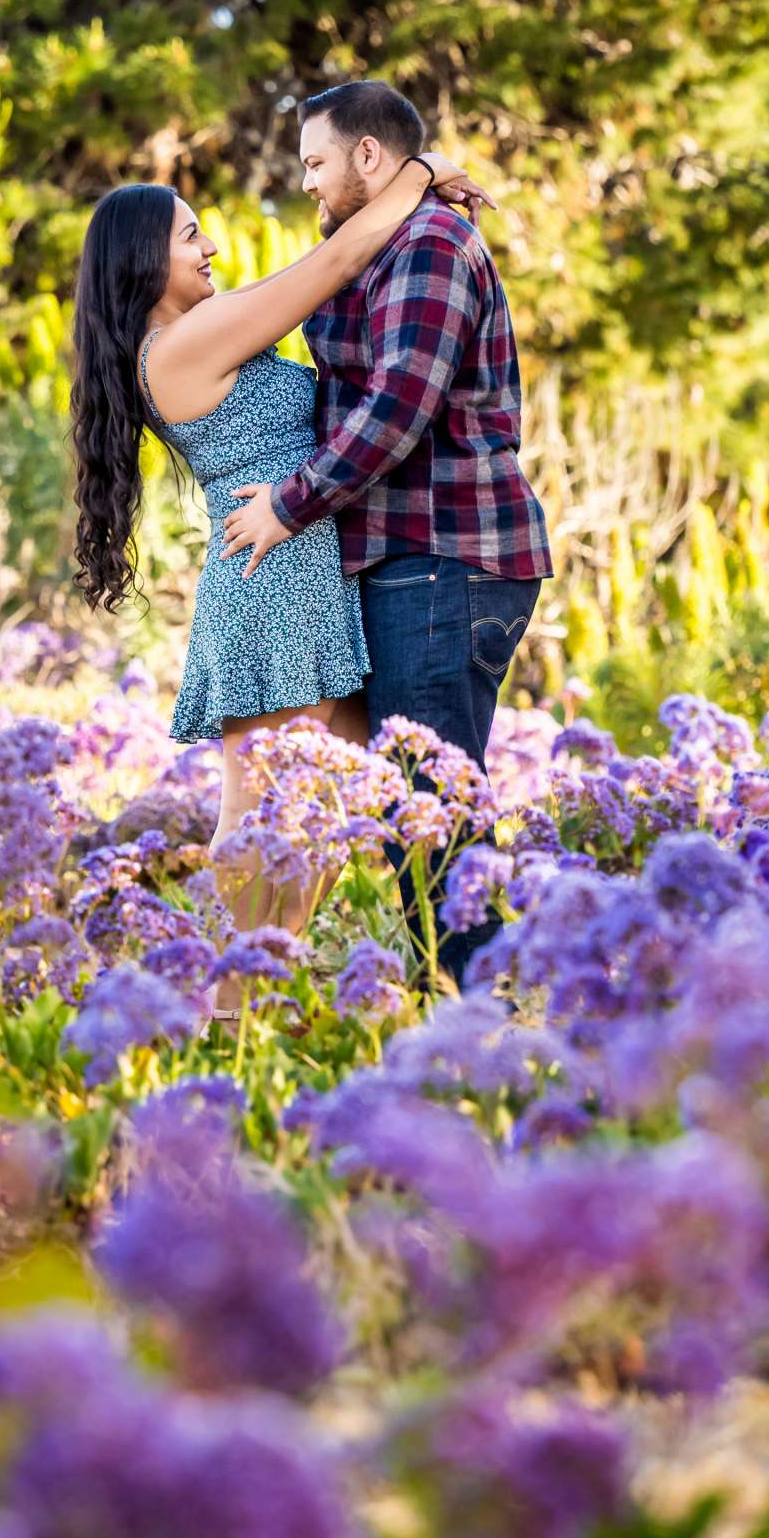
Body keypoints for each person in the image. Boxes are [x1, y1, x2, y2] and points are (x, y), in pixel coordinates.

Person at [70, 148, 489, 958]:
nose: (210, 249)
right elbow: (333, 262)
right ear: (144, 261)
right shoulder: (183, 343)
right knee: (266, 818)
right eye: (191, 237)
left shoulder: (188, 342)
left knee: (351, 799)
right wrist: (420, 171)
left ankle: (283, 980)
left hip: (301, 577)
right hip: (271, 587)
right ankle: (233, 1008)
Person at [219, 79, 552, 986]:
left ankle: (477, 1015)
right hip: (408, 558)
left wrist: (289, 506)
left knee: (433, 810)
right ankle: (461, 1004)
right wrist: (423, 175)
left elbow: (399, 403)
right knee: (422, 805)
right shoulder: (380, 241)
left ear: (369, 157)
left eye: (318, 162)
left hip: (445, 557)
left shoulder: (434, 244)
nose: (309, 183)